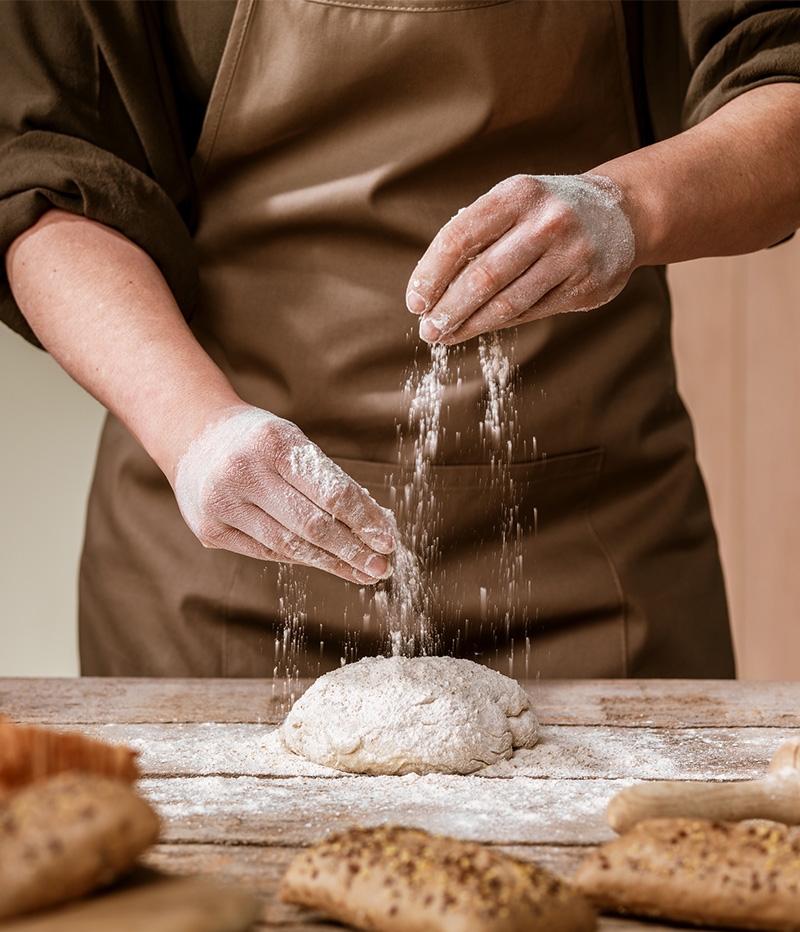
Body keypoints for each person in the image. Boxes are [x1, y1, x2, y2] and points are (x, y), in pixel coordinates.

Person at [1, 1, 799, 680]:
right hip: (224, 566)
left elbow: (784, 78)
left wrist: (628, 206)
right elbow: (41, 169)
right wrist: (195, 430)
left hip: (589, 561)